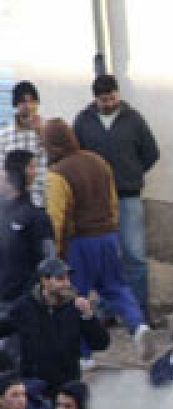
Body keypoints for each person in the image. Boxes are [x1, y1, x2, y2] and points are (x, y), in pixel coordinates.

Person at [38, 119, 152, 350]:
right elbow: (113, 201)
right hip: (107, 236)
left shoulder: (57, 174)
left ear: (51, 145)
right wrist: (112, 230)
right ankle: (138, 325)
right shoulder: (99, 162)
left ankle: (83, 355)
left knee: (73, 296)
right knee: (116, 286)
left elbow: (56, 217)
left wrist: (56, 254)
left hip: (79, 242)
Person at [70, 75, 159, 315]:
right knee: (104, 257)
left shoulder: (134, 119)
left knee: (135, 256)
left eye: (112, 97)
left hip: (128, 195)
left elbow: (151, 152)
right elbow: (75, 156)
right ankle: (107, 310)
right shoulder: (83, 121)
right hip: (96, 200)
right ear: (95, 99)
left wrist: (132, 173)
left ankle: (139, 311)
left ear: (118, 94)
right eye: (103, 99)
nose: (109, 103)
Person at [0, 259, 109, 390]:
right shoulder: (25, 306)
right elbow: (3, 327)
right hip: (33, 386)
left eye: (68, 279)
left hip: (66, 386)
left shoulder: (76, 307)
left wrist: (89, 316)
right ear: (44, 281)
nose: (67, 283)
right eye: (60, 279)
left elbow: (101, 344)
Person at [0, 151, 52, 306]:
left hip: (23, 298)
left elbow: (48, 256)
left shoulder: (35, 215)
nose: (34, 172)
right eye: (31, 167)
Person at [0, 82, 47, 206]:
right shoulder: (4, 135)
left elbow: (57, 160)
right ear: (16, 105)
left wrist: (41, 133)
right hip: (13, 203)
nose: (28, 106)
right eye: (23, 102)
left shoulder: (49, 130)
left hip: (42, 201)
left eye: (32, 101)